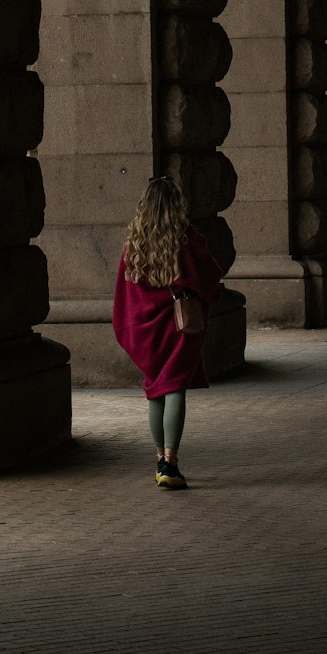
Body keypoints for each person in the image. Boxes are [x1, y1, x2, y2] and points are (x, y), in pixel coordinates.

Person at [112, 175, 223, 490]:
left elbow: (125, 294)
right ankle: (170, 464)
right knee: (174, 388)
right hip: (178, 328)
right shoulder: (186, 240)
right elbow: (208, 277)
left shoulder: (133, 245)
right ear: (176, 206)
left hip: (147, 331)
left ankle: (160, 458)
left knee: (155, 390)